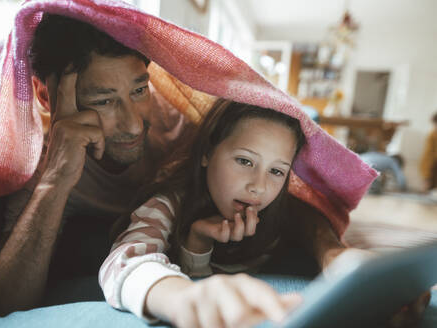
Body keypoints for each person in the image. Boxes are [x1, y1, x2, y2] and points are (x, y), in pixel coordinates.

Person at [0, 14, 191, 316]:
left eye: (139, 91)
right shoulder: (42, 162)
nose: (134, 125)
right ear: (46, 96)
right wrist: (55, 181)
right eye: (103, 101)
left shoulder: (177, 121)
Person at [99, 99, 365, 327]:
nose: (258, 187)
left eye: (276, 171)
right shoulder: (168, 203)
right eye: (245, 161)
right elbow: (124, 262)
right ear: (207, 153)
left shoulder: (280, 209)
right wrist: (183, 294)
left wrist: (335, 254)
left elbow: (311, 226)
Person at [420, 112, 437, 192]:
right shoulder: (433, 135)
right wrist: (427, 177)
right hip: (431, 165)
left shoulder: (433, 135)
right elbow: (428, 155)